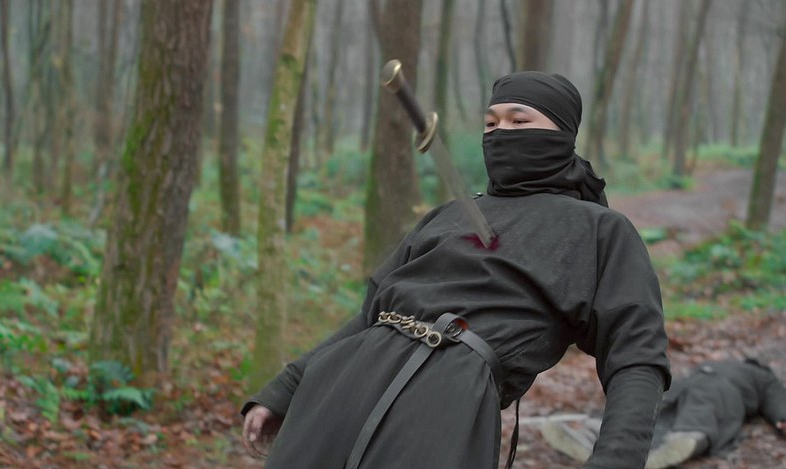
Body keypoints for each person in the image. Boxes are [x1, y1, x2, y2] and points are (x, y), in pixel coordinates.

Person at [240, 71, 672, 469]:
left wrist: (616, 460)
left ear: (561, 133)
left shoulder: (597, 231)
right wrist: (284, 389)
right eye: (491, 123)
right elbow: (368, 317)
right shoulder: (447, 216)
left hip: (447, 401)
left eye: (519, 121)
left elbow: (636, 358)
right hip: (344, 385)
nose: (500, 132)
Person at [541, 358, 786, 469]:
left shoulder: (763, 378)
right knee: (650, 404)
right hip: (687, 384)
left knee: (701, 409)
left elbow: (778, 402)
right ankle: (595, 436)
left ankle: (683, 440)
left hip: (722, 391)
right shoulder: (720, 364)